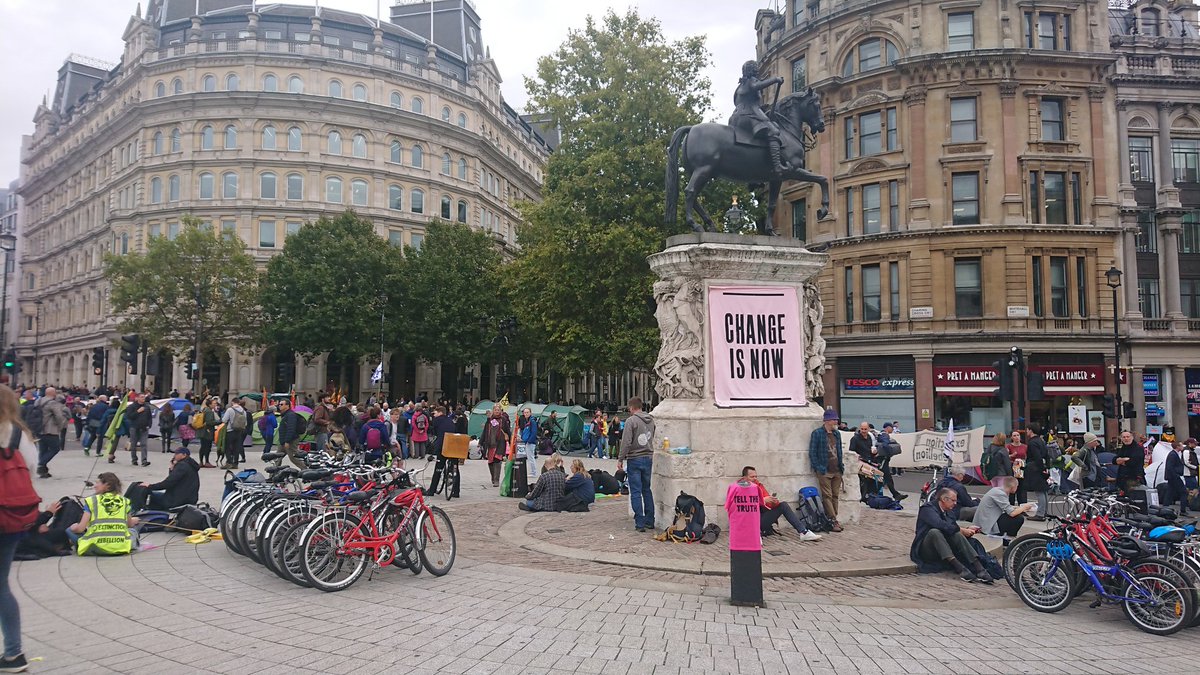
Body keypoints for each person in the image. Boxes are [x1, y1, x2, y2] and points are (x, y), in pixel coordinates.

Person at [0, 384, 39, 673]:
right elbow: (32, 473)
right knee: (2, 585)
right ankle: (14, 653)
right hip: (13, 516)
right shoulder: (20, 435)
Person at [910, 488, 993, 583]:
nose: (955, 503)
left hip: (944, 547)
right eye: (953, 500)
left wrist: (967, 529)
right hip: (926, 549)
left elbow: (952, 527)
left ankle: (979, 567)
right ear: (944, 499)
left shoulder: (949, 511)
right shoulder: (927, 509)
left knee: (956, 534)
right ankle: (959, 567)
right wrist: (961, 530)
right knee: (935, 532)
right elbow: (939, 524)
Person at [728, 60, 790, 175]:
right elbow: (756, 86)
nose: (757, 70)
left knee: (757, 140)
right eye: (755, 68)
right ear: (753, 70)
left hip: (735, 118)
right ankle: (777, 166)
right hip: (748, 115)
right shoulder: (752, 81)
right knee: (773, 132)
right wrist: (775, 79)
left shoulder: (740, 86)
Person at [742, 466, 821, 542]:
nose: (755, 478)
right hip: (750, 522)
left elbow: (768, 503)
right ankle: (755, 535)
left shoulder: (759, 486)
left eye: (756, 476)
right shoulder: (739, 488)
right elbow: (743, 505)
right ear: (744, 478)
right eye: (752, 477)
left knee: (783, 505)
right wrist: (762, 501)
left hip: (762, 519)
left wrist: (773, 502)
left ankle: (804, 532)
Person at [70, 472, 139, 556]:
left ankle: (80, 546)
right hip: (120, 548)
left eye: (98, 483)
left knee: (69, 530)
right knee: (133, 529)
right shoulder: (124, 501)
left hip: (95, 547)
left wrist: (74, 527)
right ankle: (128, 545)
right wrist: (133, 520)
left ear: (107, 485)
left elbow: (80, 528)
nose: (95, 486)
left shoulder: (92, 501)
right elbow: (129, 525)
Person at [617, 397, 656, 532]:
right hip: (648, 456)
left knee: (635, 491)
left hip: (635, 458)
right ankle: (650, 520)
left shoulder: (631, 421)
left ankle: (640, 522)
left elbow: (626, 442)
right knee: (647, 489)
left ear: (631, 408)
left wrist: (620, 458)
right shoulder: (651, 420)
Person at [808, 408, 845, 532]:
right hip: (824, 470)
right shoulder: (817, 433)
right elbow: (812, 452)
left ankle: (834, 518)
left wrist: (841, 466)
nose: (836, 422)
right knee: (827, 496)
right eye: (834, 419)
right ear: (827, 420)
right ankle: (833, 520)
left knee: (835, 495)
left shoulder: (837, 434)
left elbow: (839, 451)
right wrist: (818, 467)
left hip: (837, 469)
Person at [132, 447, 201, 511]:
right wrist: (172, 469)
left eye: (177, 454)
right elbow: (174, 480)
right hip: (189, 499)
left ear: (184, 455)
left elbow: (168, 483)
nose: (175, 456)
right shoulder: (191, 465)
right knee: (157, 494)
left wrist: (150, 486)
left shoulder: (182, 466)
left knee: (151, 494)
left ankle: (142, 513)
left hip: (178, 501)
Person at [32, 386, 69, 479]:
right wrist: (60, 427)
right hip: (50, 430)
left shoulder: (38, 401)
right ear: (53, 393)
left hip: (39, 429)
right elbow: (59, 416)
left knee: (43, 450)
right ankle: (40, 464)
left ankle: (43, 471)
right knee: (55, 448)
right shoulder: (53, 403)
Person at [426, 406, 460, 498]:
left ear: (440, 412)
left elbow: (435, 433)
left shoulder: (437, 420)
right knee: (455, 468)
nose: (434, 415)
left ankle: (432, 490)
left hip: (442, 446)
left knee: (438, 468)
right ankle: (456, 492)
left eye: (435, 413)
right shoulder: (450, 420)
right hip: (453, 446)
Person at [1022, 425, 1050, 519]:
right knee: (1043, 490)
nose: (1026, 431)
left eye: (1027, 430)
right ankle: (1044, 511)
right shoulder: (1041, 441)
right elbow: (1046, 455)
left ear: (1031, 430)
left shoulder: (1032, 443)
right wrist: (1046, 468)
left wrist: (1041, 468)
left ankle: (1040, 514)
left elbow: (1037, 457)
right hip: (1041, 467)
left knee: (1039, 491)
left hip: (1035, 468)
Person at [875, 422, 907, 500]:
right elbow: (885, 445)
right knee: (886, 478)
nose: (892, 429)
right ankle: (895, 495)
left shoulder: (881, 434)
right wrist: (890, 452)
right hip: (883, 460)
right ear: (888, 427)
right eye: (892, 427)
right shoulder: (885, 435)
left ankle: (895, 494)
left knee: (884, 478)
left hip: (881, 460)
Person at [481, 406, 509, 488]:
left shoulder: (503, 420)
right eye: (495, 410)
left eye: (498, 410)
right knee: (490, 462)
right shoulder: (489, 420)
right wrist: (480, 442)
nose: (497, 411)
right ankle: (493, 477)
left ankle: (496, 480)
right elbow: (485, 431)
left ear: (500, 411)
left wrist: (511, 442)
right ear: (493, 411)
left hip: (500, 443)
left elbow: (507, 431)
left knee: (497, 460)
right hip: (490, 444)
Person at [219, 397, 249, 470]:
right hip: (239, 431)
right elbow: (245, 423)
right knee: (236, 448)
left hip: (230, 431)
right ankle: (235, 463)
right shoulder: (243, 411)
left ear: (232, 402)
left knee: (228, 447)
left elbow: (224, 420)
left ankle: (229, 462)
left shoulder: (230, 409)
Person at [277, 399, 304, 468]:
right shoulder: (285, 415)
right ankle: (273, 473)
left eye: (281, 404)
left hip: (291, 441)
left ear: (287, 406)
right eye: (279, 404)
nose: (279, 406)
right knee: (277, 458)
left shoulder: (291, 415)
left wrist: (287, 441)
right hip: (283, 441)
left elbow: (291, 429)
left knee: (294, 458)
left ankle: (306, 470)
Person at [128, 392, 153, 467]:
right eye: (141, 397)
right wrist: (138, 411)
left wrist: (149, 425)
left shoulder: (147, 407)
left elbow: (149, 417)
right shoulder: (132, 406)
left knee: (144, 444)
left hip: (144, 428)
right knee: (133, 444)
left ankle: (144, 460)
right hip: (134, 427)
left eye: (144, 397)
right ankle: (134, 459)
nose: (143, 399)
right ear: (137, 398)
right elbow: (129, 416)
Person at [1164, 442, 1188, 515]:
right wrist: (1176, 475)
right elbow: (1170, 467)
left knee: (1169, 492)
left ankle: (1165, 507)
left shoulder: (1174, 454)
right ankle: (1183, 510)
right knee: (1183, 492)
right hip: (1174, 477)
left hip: (1172, 477)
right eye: (1181, 445)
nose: (1183, 447)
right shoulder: (1173, 455)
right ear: (1177, 446)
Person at [516, 407, 540, 481]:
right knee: (530, 457)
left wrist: (529, 441)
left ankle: (533, 472)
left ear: (530, 413)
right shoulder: (527, 421)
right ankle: (533, 471)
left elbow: (534, 432)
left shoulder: (532, 421)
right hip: (527, 441)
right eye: (525, 412)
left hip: (530, 442)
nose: (526, 414)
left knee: (531, 457)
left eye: (527, 412)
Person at [196, 397, 220, 469]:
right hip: (207, 431)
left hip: (202, 430)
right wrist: (219, 421)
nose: (215, 405)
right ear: (210, 404)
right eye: (214, 403)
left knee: (203, 446)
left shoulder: (204, 409)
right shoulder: (209, 411)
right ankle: (207, 461)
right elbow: (210, 422)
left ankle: (201, 462)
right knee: (207, 447)